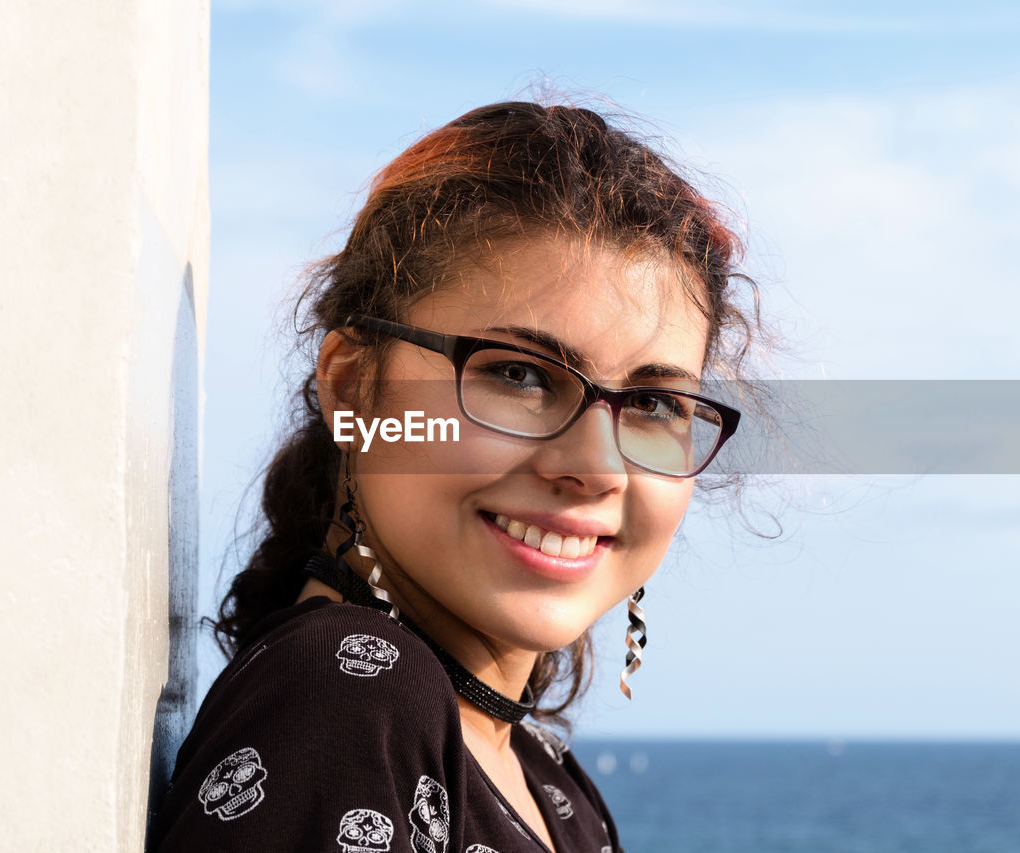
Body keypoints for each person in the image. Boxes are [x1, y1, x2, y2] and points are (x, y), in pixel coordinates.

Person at [148, 100, 758, 853]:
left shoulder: (536, 775)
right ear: (352, 384)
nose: (596, 467)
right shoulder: (352, 700)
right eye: (520, 375)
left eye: (655, 403)